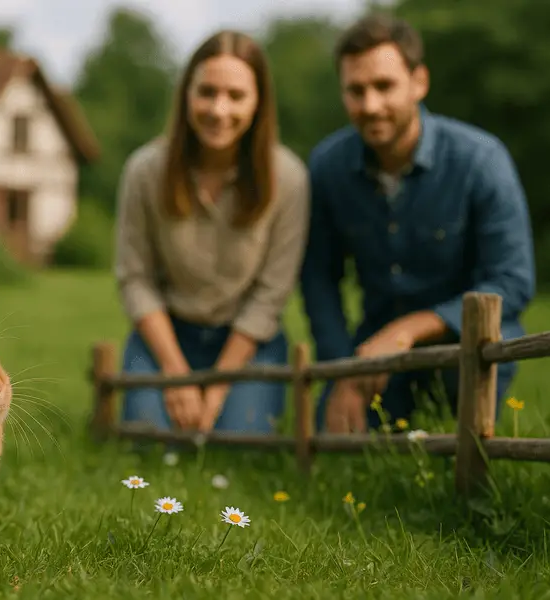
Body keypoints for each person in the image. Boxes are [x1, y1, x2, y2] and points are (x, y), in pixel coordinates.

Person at [299, 13, 536, 434]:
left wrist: (409, 330)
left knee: (463, 451)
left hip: (469, 345)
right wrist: (341, 368)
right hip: (372, 352)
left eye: (384, 86)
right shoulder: (327, 167)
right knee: (338, 450)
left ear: (419, 82)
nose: (371, 105)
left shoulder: (481, 159)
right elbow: (318, 278)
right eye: (356, 90)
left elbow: (512, 280)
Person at [113, 29, 310, 436]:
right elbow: (136, 278)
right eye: (207, 92)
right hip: (167, 334)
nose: (220, 110)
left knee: (243, 441)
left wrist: (217, 389)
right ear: (187, 94)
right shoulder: (144, 170)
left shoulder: (289, 179)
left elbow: (270, 295)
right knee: (150, 439)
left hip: (248, 342)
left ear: (258, 103)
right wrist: (175, 374)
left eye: (236, 96)